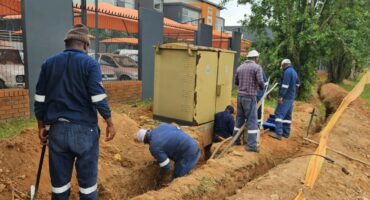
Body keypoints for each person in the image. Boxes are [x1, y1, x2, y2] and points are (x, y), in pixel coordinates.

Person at [34, 24, 116, 200]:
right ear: (85, 45)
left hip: (57, 132)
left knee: (59, 187)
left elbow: (40, 98)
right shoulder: (90, 64)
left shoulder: (49, 63)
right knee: (87, 188)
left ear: (67, 44)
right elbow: (98, 97)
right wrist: (109, 122)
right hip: (85, 131)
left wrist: (41, 124)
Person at [136, 123, 200, 184]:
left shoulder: (154, 147)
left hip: (189, 154)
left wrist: (160, 175)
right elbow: (179, 130)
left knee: (177, 180)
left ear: (145, 141)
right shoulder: (162, 126)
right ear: (148, 130)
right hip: (194, 144)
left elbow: (166, 166)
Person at [234, 50, 265, 152]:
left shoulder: (240, 67)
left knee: (239, 119)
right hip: (250, 97)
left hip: (240, 97)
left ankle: (236, 140)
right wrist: (262, 87)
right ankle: (251, 145)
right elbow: (260, 81)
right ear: (256, 58)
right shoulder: (257, 67)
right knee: (252, 121)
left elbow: (236, 82)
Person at [269, 59, 300, 140]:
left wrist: (280, 96)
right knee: (287, 116)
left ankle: (278, 133)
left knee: (278, 113)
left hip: (285, 97)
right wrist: (293, 92)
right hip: (291, 97)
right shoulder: (294, 72)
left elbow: (284, 86)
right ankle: (286, 133)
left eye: (282, 66)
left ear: (284, 64)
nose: (282, 68)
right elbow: (298, 84)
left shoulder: (287, 72)